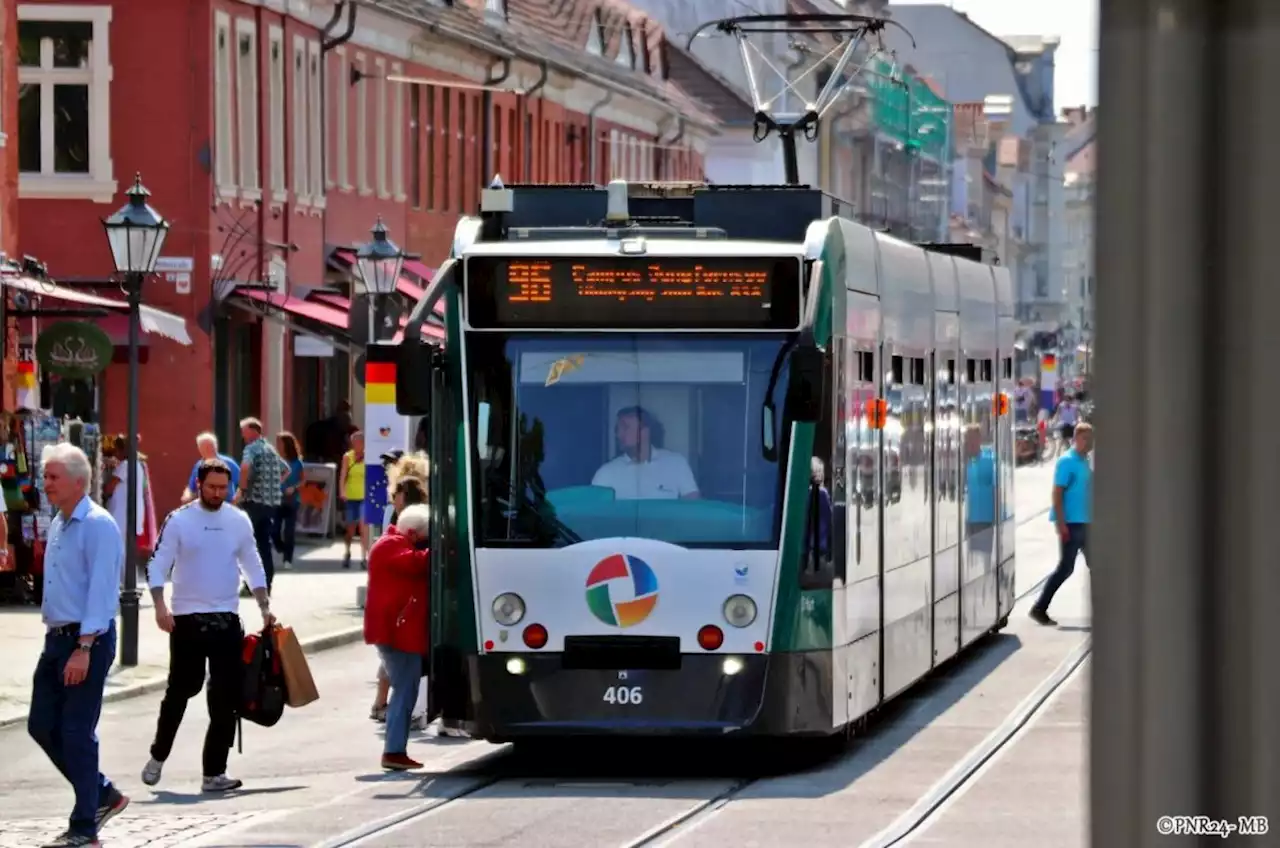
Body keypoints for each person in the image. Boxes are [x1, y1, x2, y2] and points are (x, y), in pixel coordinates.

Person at [140, 459, 274, 793]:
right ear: (199, 484)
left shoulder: (237, 520)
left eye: (223, 488)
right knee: (181, 690)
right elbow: (158, 565)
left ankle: (214, 772)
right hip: (186, 619)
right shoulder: (180, 520)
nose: (218, 493)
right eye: (211, 487)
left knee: (225, 697)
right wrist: (159, 606)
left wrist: (265, 606)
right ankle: (158, 755)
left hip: (227, 618)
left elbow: (252, 564)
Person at [28, 443, 128, 848]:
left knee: (75, 731)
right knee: (40, 724)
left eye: (53, 477)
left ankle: (85, 826)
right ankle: (102, 793)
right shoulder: (59, 522)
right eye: (45, 475)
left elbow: (103, 593)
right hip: (57, 639)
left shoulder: (98, 524)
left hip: (87, 640)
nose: (45, 483)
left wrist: (84, 648)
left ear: (78, 481)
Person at [363, 504, 431, 771]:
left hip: (398, 630)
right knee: (405, 690)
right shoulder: (390, 545)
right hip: (396, 632)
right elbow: (417, 563)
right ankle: (393, 750)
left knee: (406, 688)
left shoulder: (390, 542)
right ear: (413, 533)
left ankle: (395, 749)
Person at [370, 474, 428, 724]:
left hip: (403, 614)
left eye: (397, 494)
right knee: (400, 674)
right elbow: (410, 561)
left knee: (398, 669)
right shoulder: (395, 536)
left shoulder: (416, 522)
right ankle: (389, 711)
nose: (393, 499)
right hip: (397, 616)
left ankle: (388, 708)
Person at [1030, 422, 1094, 626]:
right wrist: (1061, 523)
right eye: (1085, 438)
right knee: (1066, 568)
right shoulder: (1067, 461)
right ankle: (1039, 608)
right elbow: (1057, 493)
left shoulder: (1085, 461)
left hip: (1087, 522)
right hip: (1072, 524)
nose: (1088, 442)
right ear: (1075, 439)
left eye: (1091, 438)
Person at [591, 406, 700, 500]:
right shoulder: (606, 473)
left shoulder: (676, 464)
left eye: (625, 427)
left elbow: (693, 508)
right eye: (617, 429)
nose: (619, 434)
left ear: (645, 431)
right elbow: (595, 513)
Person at [234, 417, 286, 593]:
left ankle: (251, 585)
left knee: (249, 544)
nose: (242, 434)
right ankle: (266, 585)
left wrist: (241, 489)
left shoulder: (252, 448)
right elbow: (286, 469)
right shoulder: (270, 449)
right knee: (264, 544)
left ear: (254, 431)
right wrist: (273, 484)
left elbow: (245, 467)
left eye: (244, 430)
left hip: (254, 502)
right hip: (270, 504)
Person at [273, 431, 304, 571]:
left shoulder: (297, 462)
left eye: (280, 442)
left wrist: (294, 487)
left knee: (289, 531)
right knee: (274, 530)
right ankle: (281, 547)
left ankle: (288, 558)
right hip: (276, 499)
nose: (277, 445)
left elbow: (303, 480)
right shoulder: (275, 460)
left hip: (292, 500)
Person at [338, 431, 369, 569]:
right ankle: (347, 552)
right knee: (350, 529)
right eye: (355, 442)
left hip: (364, 497)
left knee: (363, 528)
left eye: (360, 442)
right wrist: (342, 491)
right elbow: (343, 475)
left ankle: (364, 557)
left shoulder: (368, 457)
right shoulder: (347, 457)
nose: (357, 445)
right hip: (351, 497)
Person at [180, 433, 240, 504]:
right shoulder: (198, 466)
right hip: (204, 507)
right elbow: (191, 487)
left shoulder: (229, 463)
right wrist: (187, 496)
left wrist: (235, 500)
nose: (208, 449)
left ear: (216, 447)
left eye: (210, 446)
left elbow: (243, 484)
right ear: (199, 449)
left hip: (225, 505)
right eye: (204, 447)